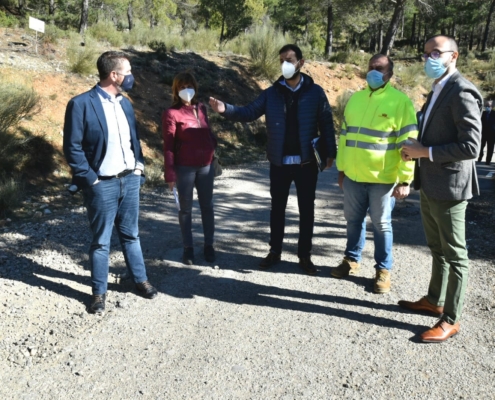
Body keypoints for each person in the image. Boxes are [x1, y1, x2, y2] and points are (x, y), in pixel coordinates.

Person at [209, 44, 336, 275]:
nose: (285, 64)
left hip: (306, 164)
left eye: (289, 59)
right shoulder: (271, 93)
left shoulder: (315, 92)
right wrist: (224, 109)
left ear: (301, 62)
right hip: (279, 163)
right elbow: (248, 112)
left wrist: (331, 154)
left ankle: (304, 256)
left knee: (306, 211)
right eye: (281, 60)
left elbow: (326, 122)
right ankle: (274, 251)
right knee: (277, 210)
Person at [400, 35, 482, 343]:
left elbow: (471, 146)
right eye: (425, 54)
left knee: (455, 254)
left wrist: (425, 153)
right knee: (437, 249)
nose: (429, 58)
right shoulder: (438, 89)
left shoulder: (462, 91)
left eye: (436, 52)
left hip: (450, 186)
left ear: (454, 56)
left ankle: (452, 318)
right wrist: (416, 149)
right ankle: (434, 300)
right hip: (431, 184)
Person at [63, 51, 158, 315]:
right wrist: (90, 178)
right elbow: (72, 147)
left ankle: (140, 280)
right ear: (113, 75)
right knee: (101, 241)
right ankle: (98, 294)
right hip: (101, 185)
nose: (131, 76)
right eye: (127, 71)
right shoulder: (81, 104)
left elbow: (134, 140)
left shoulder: (125, 103)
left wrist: (138, 166)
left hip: (130, 181)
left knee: (131, 235)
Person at [331, 54, 418, 294]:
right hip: (354, 177)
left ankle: (383, 270)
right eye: (370, 67)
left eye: (379, 68)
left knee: (382, 225)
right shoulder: (356, 99)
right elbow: (345, 139)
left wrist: (405, 179)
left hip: (384, 179)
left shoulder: (400, 102)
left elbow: (408, 143)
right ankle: (351, 260)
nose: (373, 72)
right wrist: (342, 170)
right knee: (353, 221)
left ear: (390, 73)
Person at [162, 72, 217, 265]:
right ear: (176, 90)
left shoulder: (201, 108)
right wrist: (170, 173)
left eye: (190, 85)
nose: (187, 90)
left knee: (207, 207)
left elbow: (208, 130)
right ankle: (188, 248)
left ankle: (209, 245)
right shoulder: (171, 113)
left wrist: (212, 146)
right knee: (185, 210)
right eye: (182, 86)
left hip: (206, 167)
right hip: (184, 168)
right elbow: (168, 145)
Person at [478, 100, 495, 165]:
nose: (487, 107)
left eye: (489, 106)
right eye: (486, 106)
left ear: (491, 106)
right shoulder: (483, 113)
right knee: (481, 146)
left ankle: (488, 161)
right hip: (483, 133)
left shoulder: (494, 114)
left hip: (492, 134)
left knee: (490, 148)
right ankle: (480, 156)